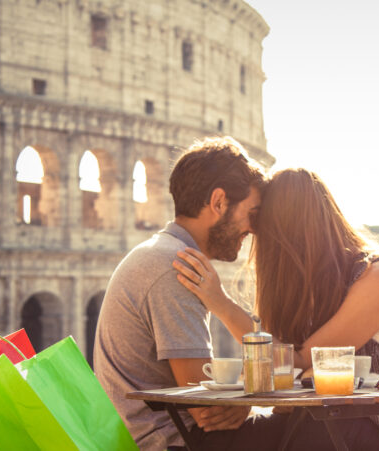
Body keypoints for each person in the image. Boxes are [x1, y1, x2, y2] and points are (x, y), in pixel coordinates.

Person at [174, 168, 379, 450]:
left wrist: (221, 304)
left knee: (316, 433)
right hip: (358, 430)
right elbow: (281, 373)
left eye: (266, 231)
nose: (259, 243)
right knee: (225, 440)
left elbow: (292, 363)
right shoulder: (306, 290)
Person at [93, 136, 290, 450]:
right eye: (251, 214)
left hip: (163, 436)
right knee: (315, 427)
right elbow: (203, 406)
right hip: (176, 442)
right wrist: (247, 404)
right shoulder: (175, 267)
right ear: (218, 202)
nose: (253, 229)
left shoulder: (164, 254)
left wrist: (242, 405)